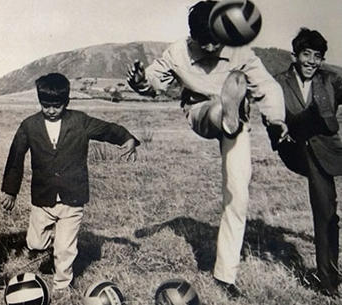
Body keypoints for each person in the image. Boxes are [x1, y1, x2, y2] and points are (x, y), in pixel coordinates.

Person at [126, 0, 288, 298]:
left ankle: (225, 276)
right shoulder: (178, 52)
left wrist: (276, 120)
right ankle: (223, 112)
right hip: (201, 111)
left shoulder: (239, 50)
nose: (212, 48)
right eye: (205, 42)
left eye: (216, 41)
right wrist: (140, 82)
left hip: (237, 121)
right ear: (193, 37)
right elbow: (154, 82)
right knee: (215, 109)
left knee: (237, 195)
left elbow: (267, 86)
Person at [0, 73, 138, 298]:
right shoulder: (29, 126)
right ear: (39, 101)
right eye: (46, 105)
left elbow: (106, 129)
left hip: (72, 197)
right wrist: (10, 191)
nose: (51, 110)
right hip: (43, 198)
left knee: (65, 248)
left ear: (67, 102)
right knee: (35, 242)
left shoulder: (79, 121)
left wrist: (126, 138)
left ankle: (62, 286)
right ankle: (53, 244)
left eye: (57, 106)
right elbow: (15, 157)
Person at [269, 28, 342, 297]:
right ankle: (328, 280)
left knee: (327, 212)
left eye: (317, 56)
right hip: (294, 146)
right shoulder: (278, 82)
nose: (312, 61)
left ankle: (329, 275)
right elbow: (267, 110)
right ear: (295, 56)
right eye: (306, 54)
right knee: (324, 206)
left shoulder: (330, 80)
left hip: (326, 150)